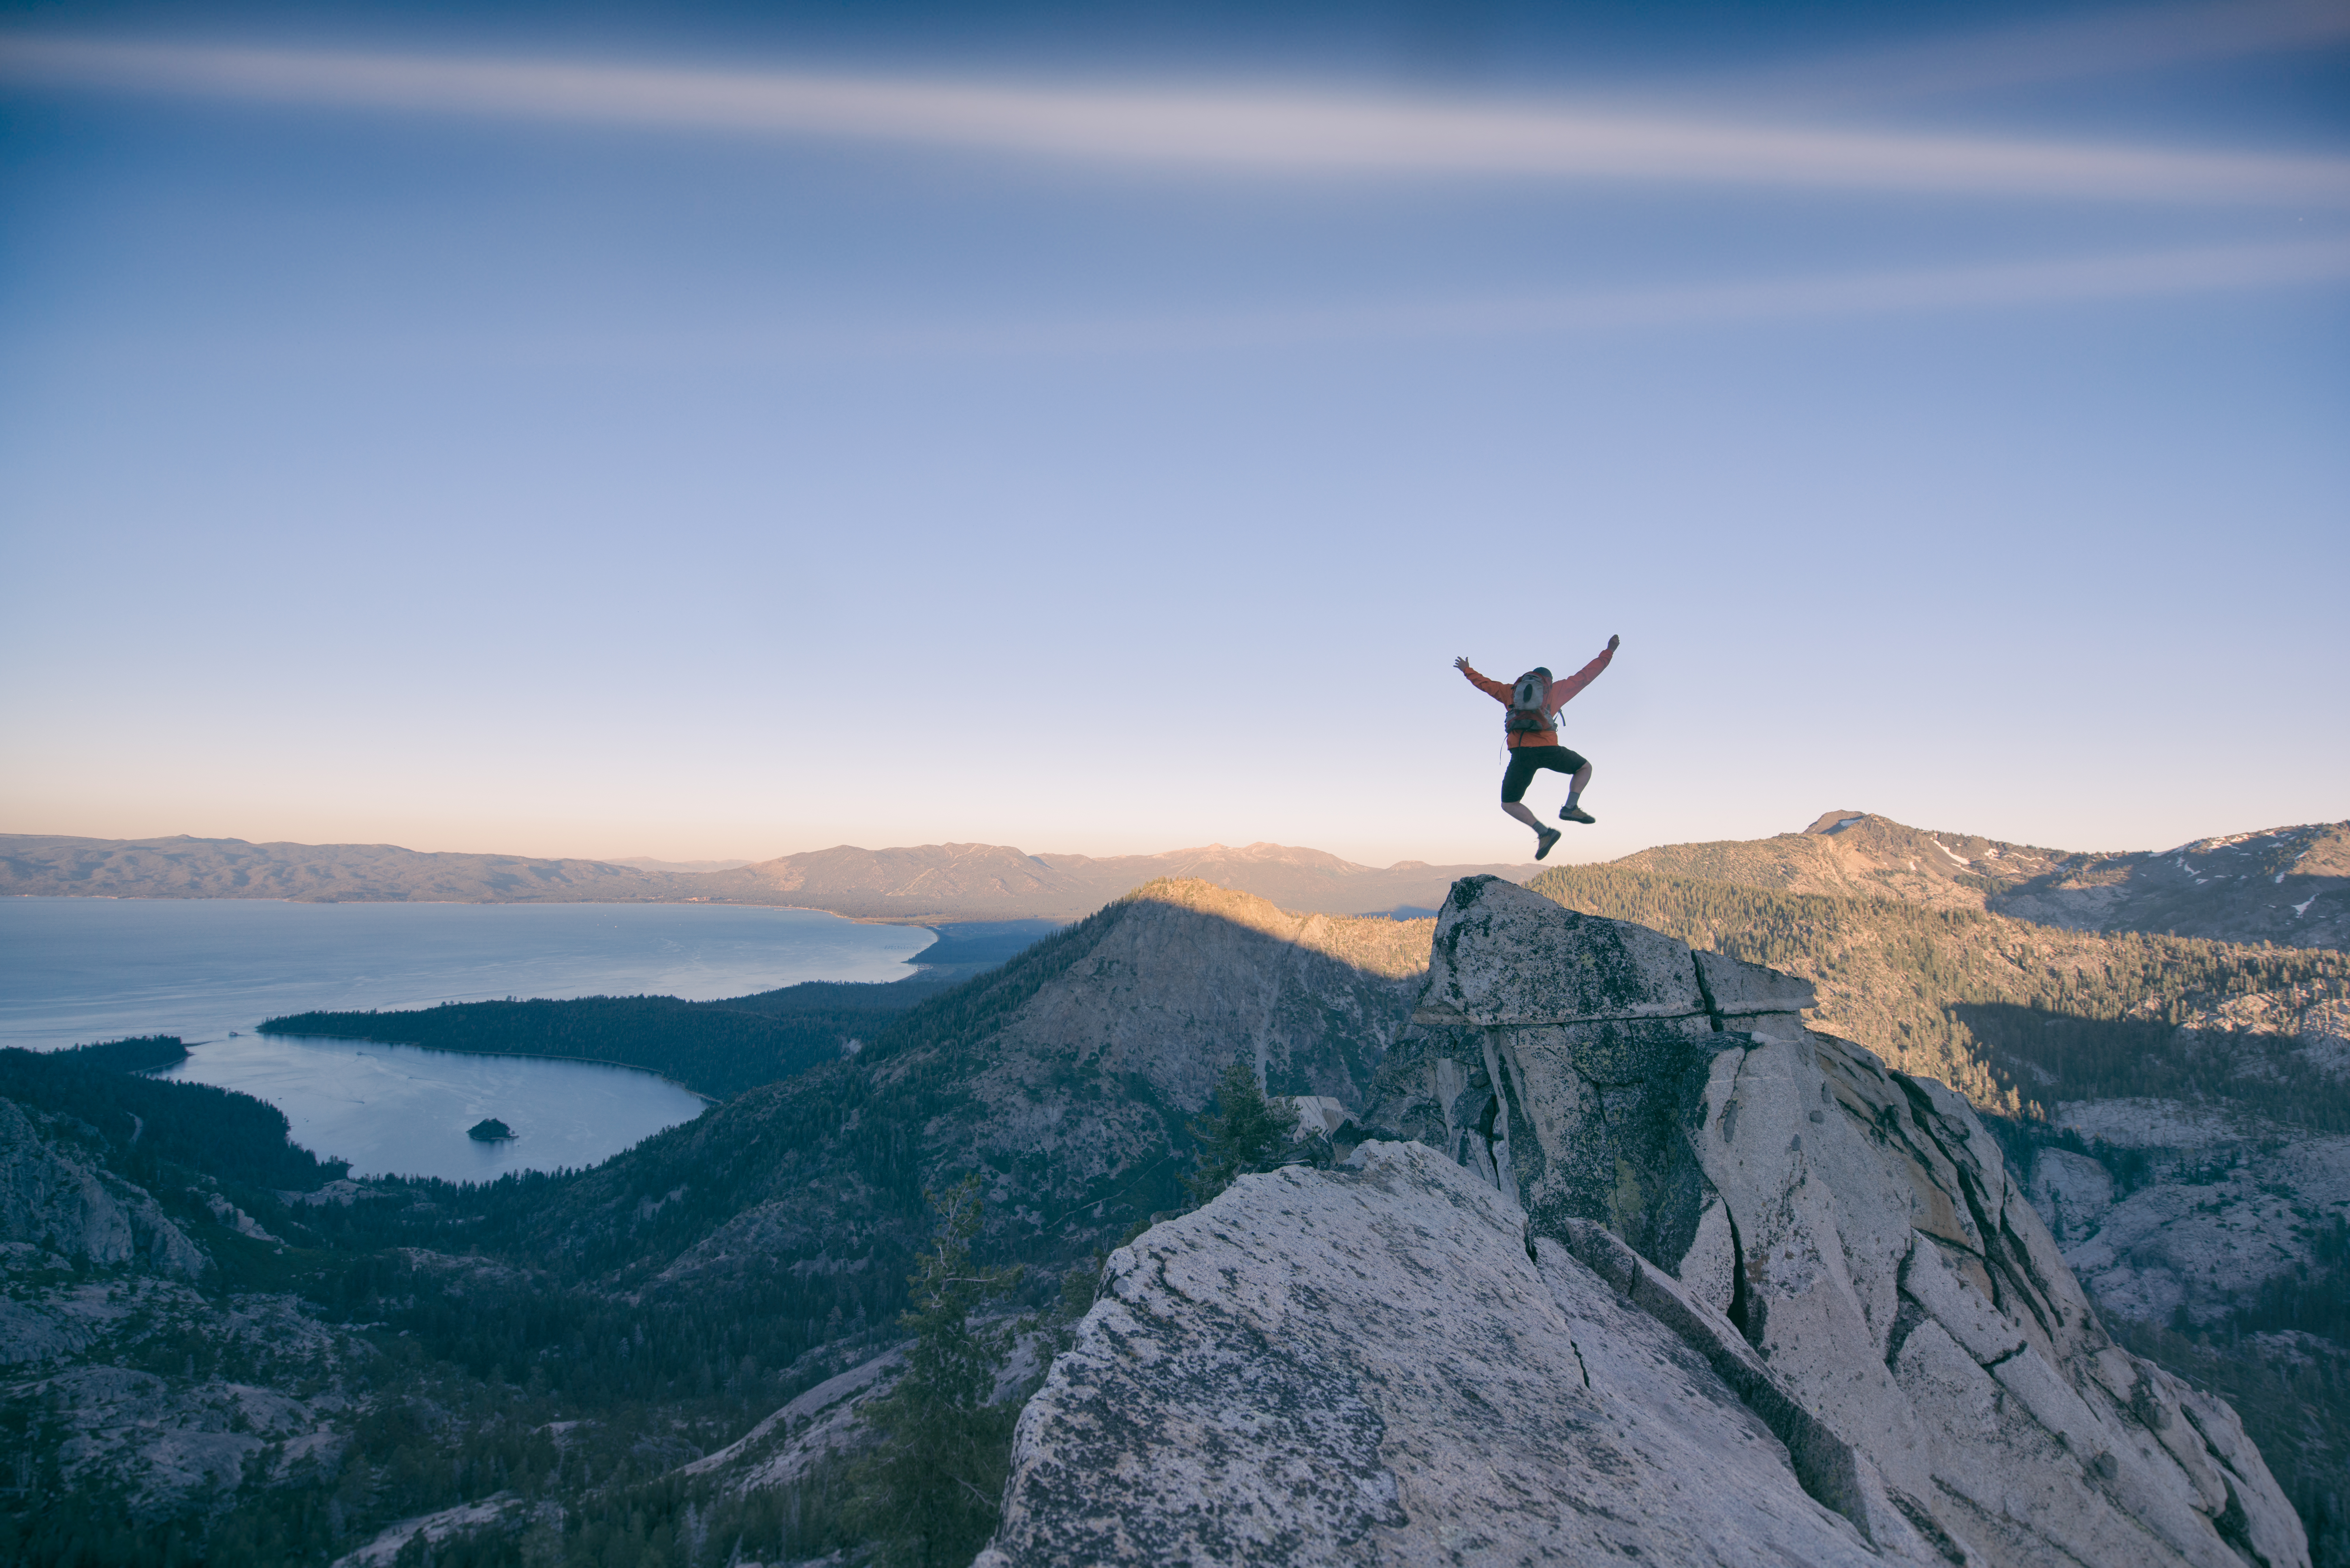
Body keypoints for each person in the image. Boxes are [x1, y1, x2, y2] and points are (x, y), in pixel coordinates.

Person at [1454, 635, 1620, 861]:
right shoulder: (1557, 690)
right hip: (1548, 750)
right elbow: (1587, 675)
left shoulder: (1511, 692)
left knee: (1509, 803)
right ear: (1548, 681)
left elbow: (1486, 685)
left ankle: (1544, 832)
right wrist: (1609, 651)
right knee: (1584, 768)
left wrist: (1467, 669)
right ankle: (1571, 807)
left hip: (1521, 754)